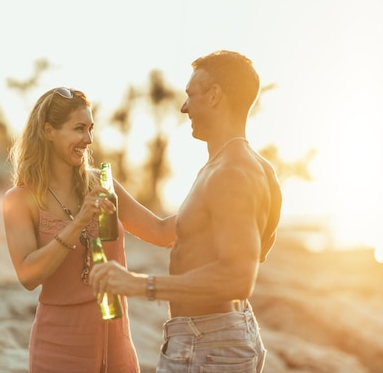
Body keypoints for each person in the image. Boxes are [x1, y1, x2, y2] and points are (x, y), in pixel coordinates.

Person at [89, 50, 283, 373]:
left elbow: (238, 276)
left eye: (190, 95)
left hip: (208, 344)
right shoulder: (247, 168)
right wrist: (106, 186)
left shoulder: (231, 173)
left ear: (215, 95)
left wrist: (140, 285)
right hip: (218, 335)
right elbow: (167, 232)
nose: (184, 107)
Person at [2, 87, 175, 373]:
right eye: (79, 129)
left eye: (91, 129)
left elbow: (160, 230)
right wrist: (79, 222)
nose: (89, 139)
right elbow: (28, 275)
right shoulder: (19, 200)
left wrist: (215, 204)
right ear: (48, 131)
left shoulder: (102, 183)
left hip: (116, 338)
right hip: (59, 344)